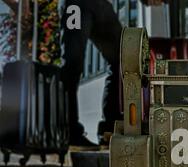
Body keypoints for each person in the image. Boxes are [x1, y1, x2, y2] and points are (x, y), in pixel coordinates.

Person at [60, 0, 166, 147]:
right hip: (76, 7)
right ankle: (70, 131)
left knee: (123, 57)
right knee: (72, 65)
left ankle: (110, 130)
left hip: (101, 6)